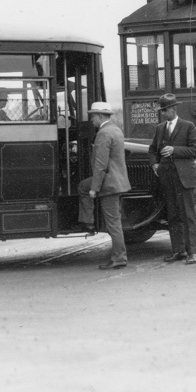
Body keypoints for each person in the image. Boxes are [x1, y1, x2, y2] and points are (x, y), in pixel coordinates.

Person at [148, 93, 196, 265]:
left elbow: (195, 151)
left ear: (173, 109)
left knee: (188, 215)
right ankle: (178, 251)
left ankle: (193, 252)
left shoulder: (188, 126)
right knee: (172, 215)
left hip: (184, 177)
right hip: (167, 177)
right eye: (162, 110)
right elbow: (151, 150)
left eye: (165, 110)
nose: (163, 113)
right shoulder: (160, 129)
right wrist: (154, 164)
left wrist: (174, 150)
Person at [77, 102, 132, 270]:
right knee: (83, 187)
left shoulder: (103, 133)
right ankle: (89, 222)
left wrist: (94, 188)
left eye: (93, 116)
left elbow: (100, 165)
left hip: (108, 184)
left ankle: (119, 257)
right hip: (117, 182)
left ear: (100, 116)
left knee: (113, 224)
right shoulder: (116, 130)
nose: (91, 119)